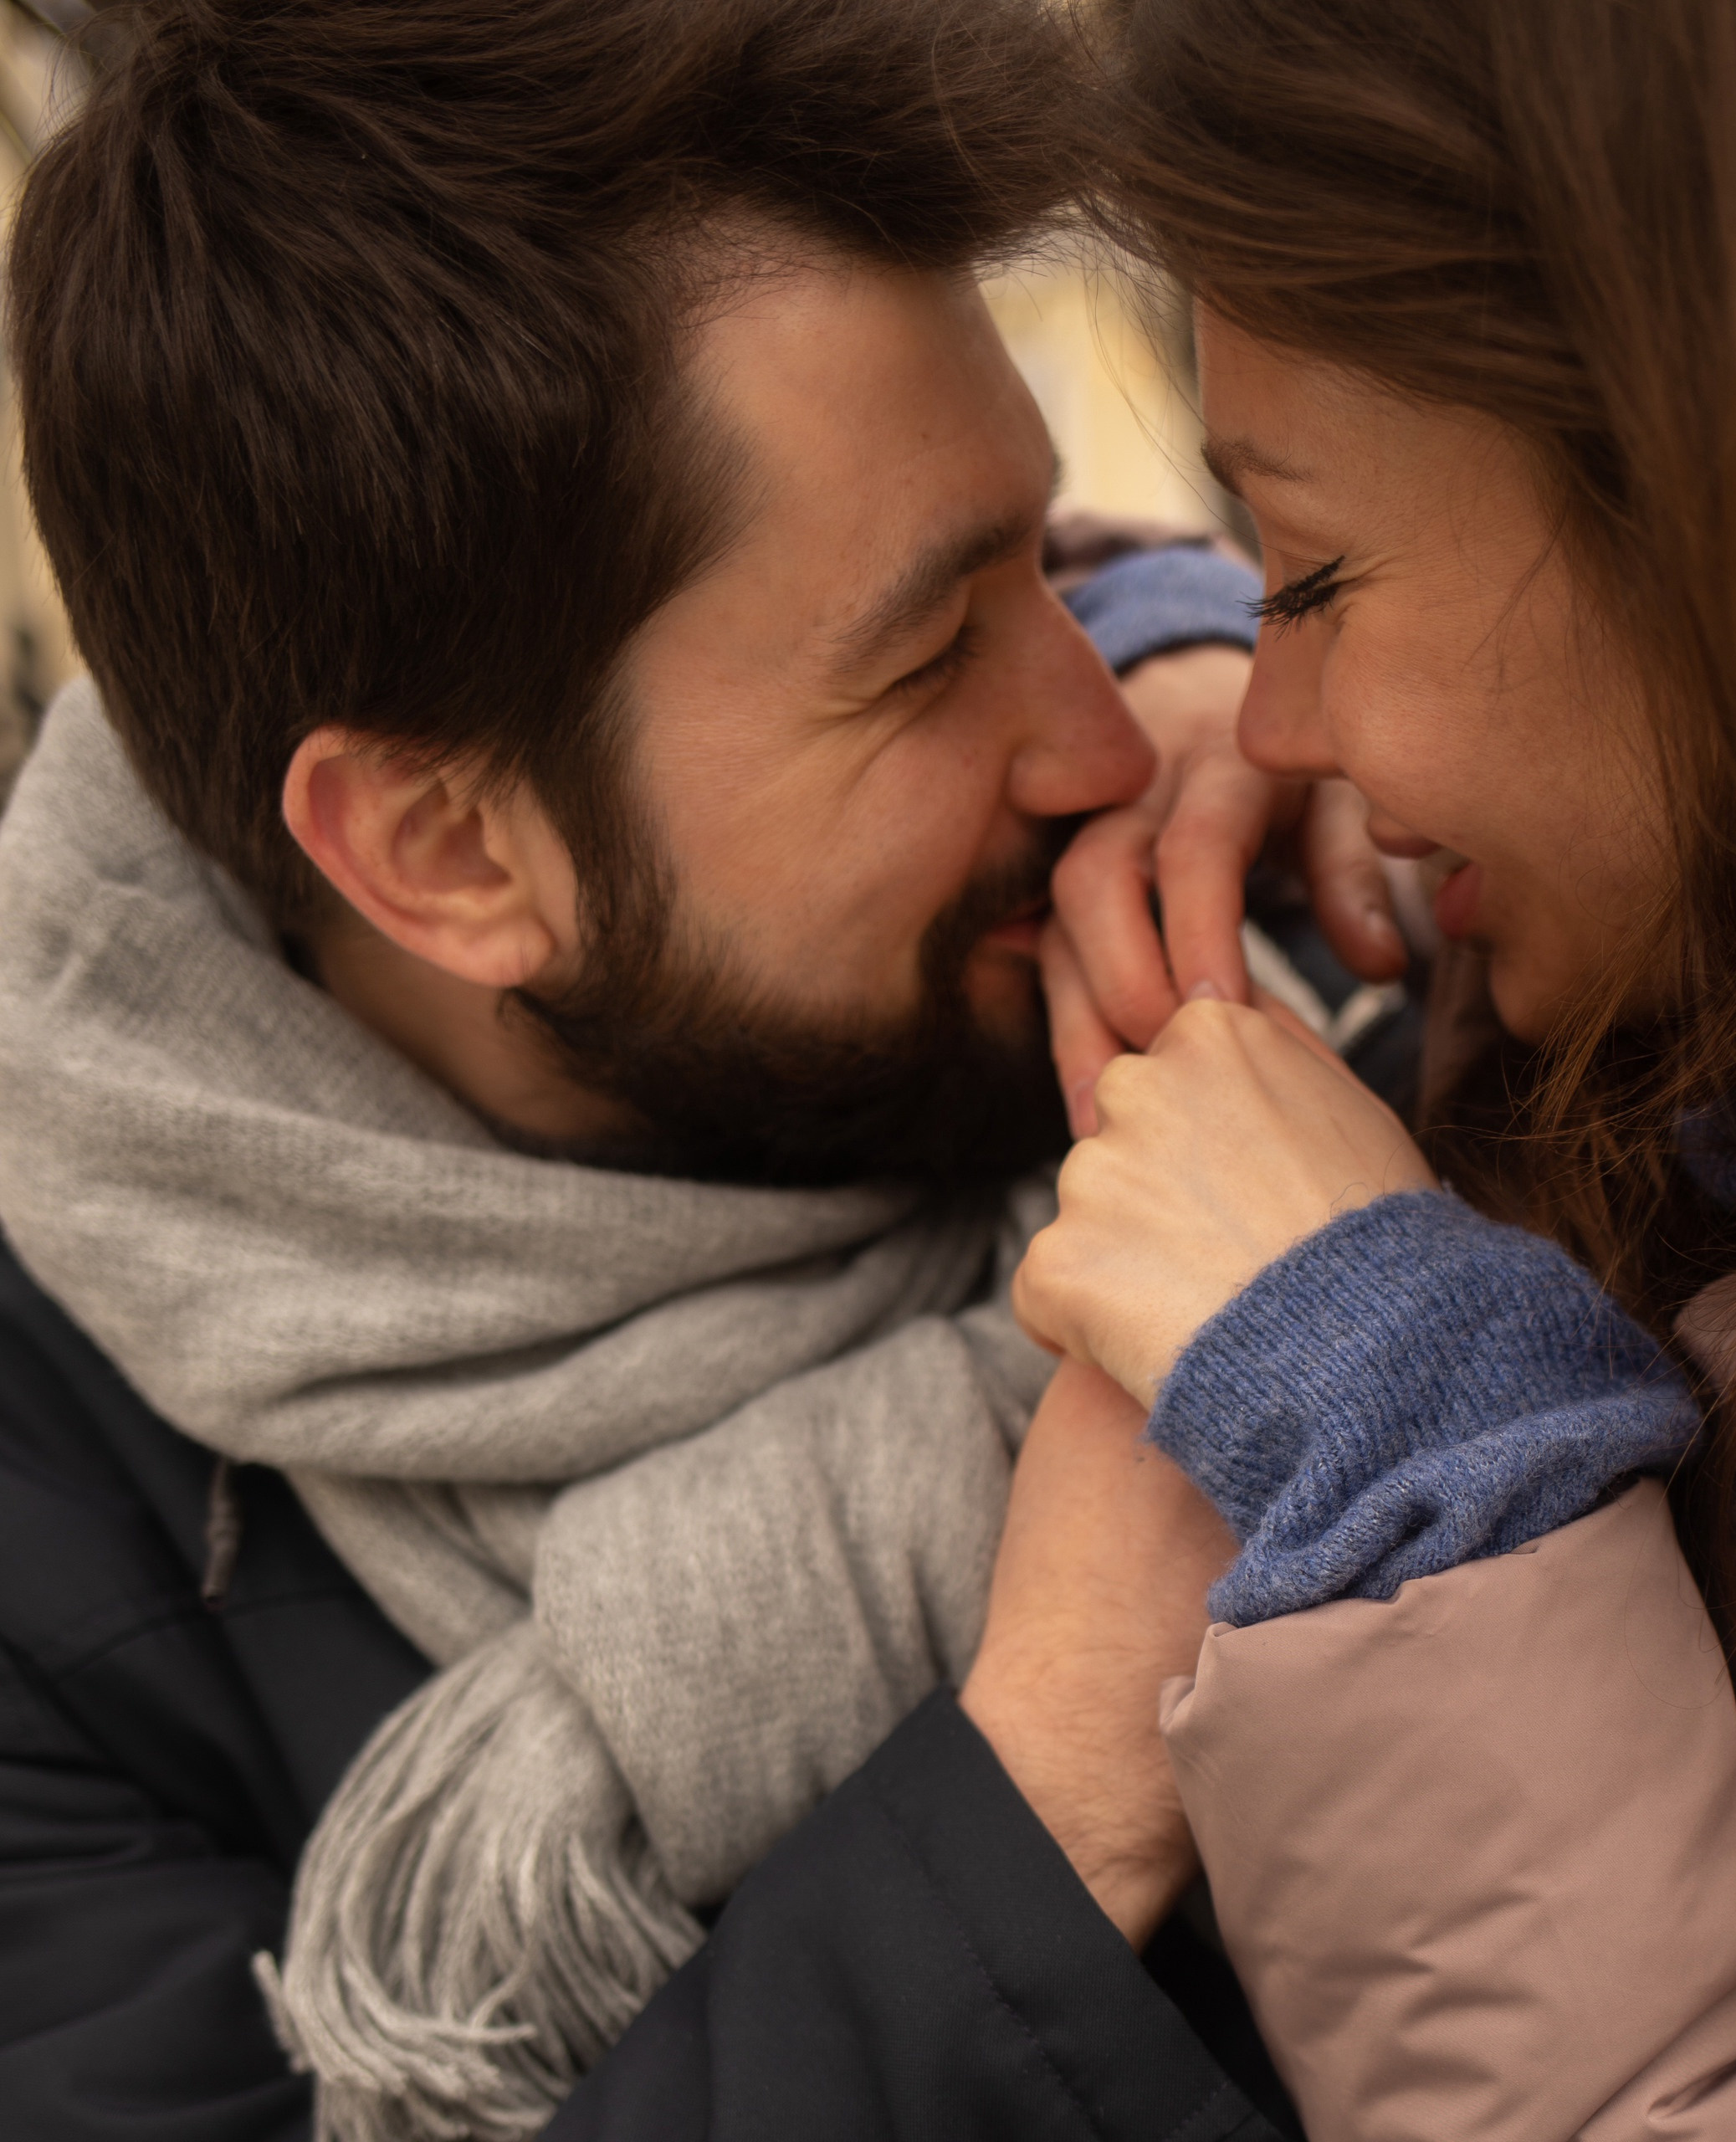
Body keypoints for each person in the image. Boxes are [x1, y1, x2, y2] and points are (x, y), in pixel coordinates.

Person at [0, 2, 1399, 2134]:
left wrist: (1219, 630)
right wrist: (1040, 1799)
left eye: (1051, 559)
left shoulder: (1256, 893)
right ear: (447, 851)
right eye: (935, 651)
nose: (1093, 738)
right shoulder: (44, 1528)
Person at [1002, 0, 1736, 2135]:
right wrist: (1152, 628)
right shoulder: (1728, 995)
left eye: (1314, 576)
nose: (1273, 724)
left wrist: (1425, 1454)